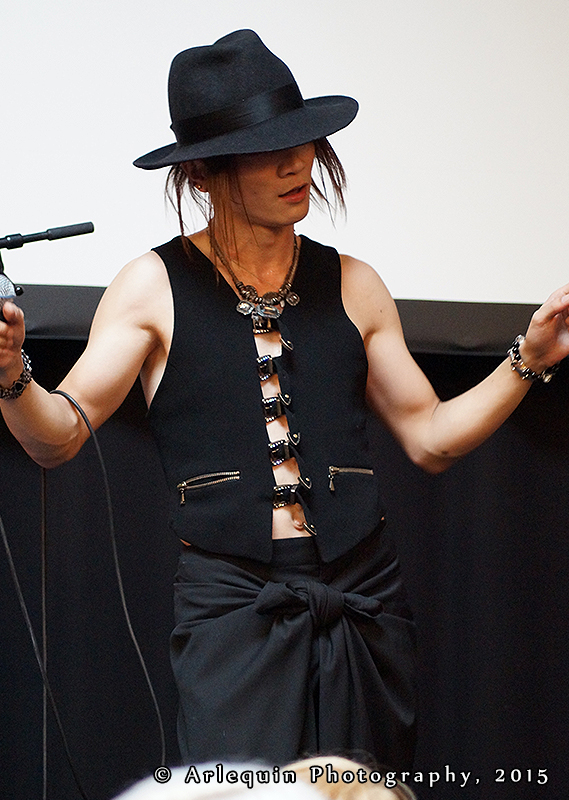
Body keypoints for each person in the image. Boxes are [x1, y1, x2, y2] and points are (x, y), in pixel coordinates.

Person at [1, 29, 568, 770]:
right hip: (233, 607)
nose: (296, 163)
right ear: (202, 171)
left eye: (301, 142)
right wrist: (12, 375)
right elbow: (59, 435)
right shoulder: (150, 286)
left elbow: (429, 436)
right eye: (267, 149)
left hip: (364, 594)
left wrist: (529, 358)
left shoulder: (355, 283)